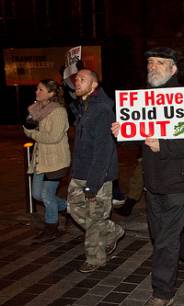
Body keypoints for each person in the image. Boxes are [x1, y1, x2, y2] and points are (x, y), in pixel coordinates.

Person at [112, 47, 184, 306]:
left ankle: (163, 293)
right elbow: (141, 137)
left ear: (173, 69)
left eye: (159, 63)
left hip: (179, 181)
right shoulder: (142, 100)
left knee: (165, 240)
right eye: (149, 63)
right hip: (152, 181)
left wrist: (163, 146)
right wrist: (124, 129)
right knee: (162, 234)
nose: (152, 67)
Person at [67, 69, 125, 273]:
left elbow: (103, 150)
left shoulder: (102, 109)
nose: (77, 82)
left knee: (93, 219)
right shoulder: (84, 106)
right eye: (76, 79)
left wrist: (93, 184)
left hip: (97, 175)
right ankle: (112, 231)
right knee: (74, 209)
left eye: (83, 79)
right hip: (80, 173)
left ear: (94, 85)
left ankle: (95, 258)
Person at [23, 79, 71, 243]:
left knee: (46, 194)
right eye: (37, 89)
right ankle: (68, 208)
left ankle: (51, 228)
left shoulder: (58, 112)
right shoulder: (36, 109)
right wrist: (28, 126)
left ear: (51, 93)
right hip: (40, 160)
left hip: (56, 160)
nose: (37, 92)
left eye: (41, 90)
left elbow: (54, 137)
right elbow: (28, 127)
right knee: (37, 194)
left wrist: (32, 134)